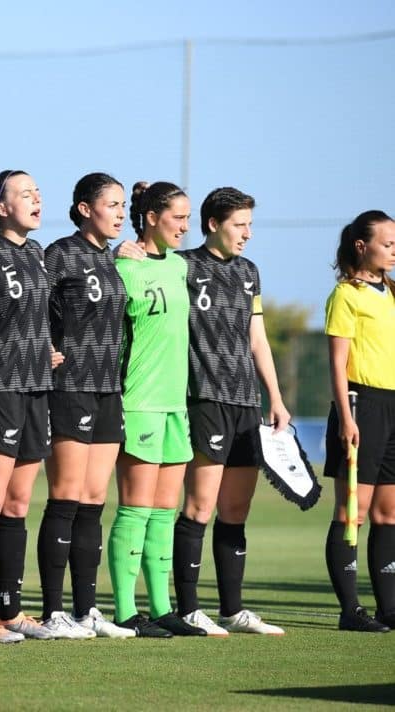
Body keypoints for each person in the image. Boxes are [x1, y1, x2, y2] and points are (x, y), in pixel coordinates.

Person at [171, 187, 289, 636]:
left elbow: (257, 338)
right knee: (199, 506)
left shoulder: (249, 272)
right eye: (240, 225)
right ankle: (187, 608)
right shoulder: (183, 266)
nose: (247, 234)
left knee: (236, 508)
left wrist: (274, 398)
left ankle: (233, 609)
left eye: (250, 225)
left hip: (246, 403)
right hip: (204, 399)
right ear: (213, 225)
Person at [0, 170, 62, 642]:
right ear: (1, 208)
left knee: (20, 502)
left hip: (36, 386)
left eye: (37, 192)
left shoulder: (39, 255)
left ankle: (10, 609)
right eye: (25, 194)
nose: (36, 199)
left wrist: (46, 349)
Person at [108, 181, 205, 638]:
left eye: (187, 218)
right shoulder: (123, 266)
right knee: (136, 508)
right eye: (177, 218)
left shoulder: (182, 266)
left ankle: (164, 608)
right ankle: (126, 612)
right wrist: (115, 259)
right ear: (151, 218)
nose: (185, 227)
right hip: (139, 401)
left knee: (167, 511)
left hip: (174, 403)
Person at [42, 172, 134, 638]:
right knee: (67, 496)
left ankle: (85, 610)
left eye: (122, 205)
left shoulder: (113, 259)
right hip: (70, 386)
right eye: (111, 205)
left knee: (95, 500)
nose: (119, 213)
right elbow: (29, 309)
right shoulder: (60, 254)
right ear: (84, 209)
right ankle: (53, 611)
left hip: (107, 390)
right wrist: (44, 347)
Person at [323, 209, 395, 633]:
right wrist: (346, 418)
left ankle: (389, 607)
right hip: (361, 403)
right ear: (361, 246)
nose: (393, 251)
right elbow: (337, 364)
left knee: (389, 513)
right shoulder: (345, 295)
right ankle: (350, 610)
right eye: (387, 243)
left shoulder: (392, 292)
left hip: (393, 405)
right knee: (354, 511)